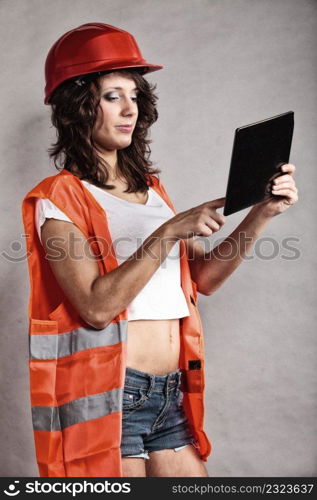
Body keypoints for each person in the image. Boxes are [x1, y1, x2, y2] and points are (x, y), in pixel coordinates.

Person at [21, 23, 298, 478]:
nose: (129, 109)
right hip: (112, 392)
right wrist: (168, 231)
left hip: (171, 393)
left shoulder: (151, 190)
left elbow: (202, 280)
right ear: (77, 106)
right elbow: (95, 306)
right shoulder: (57, 198)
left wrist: (262, 214)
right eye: (112, 96)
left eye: (134, 95)